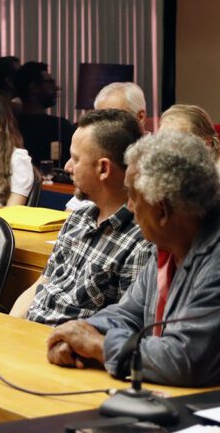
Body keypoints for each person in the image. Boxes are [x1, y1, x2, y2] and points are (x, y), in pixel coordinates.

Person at [46, 131, 220, 387]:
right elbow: (128, 314)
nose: (129, 207)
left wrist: (98, 345)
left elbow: (185, 360)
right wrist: (78, 334)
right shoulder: (167, 244)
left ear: (162, 210)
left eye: (133, 196)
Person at [10, 109, 151, 325]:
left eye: (75, 158)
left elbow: (123, 329)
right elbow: (41, 285)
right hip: (27, 335)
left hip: (65, 350)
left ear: (103, 168)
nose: (67, 167)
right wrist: (9, 328)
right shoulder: (78, 218)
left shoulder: (141, 242)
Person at [65, 82, 148, 211]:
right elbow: (72, 210)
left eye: (114, 116)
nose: (102, 125)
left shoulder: (154, 160)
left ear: (140, 117)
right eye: (100, 116)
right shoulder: (80, 216)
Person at [16, 61, 75, 166]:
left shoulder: (11, 125)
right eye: (50, 82)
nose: (56, 88)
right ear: (33, 87)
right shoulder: (59, 127)